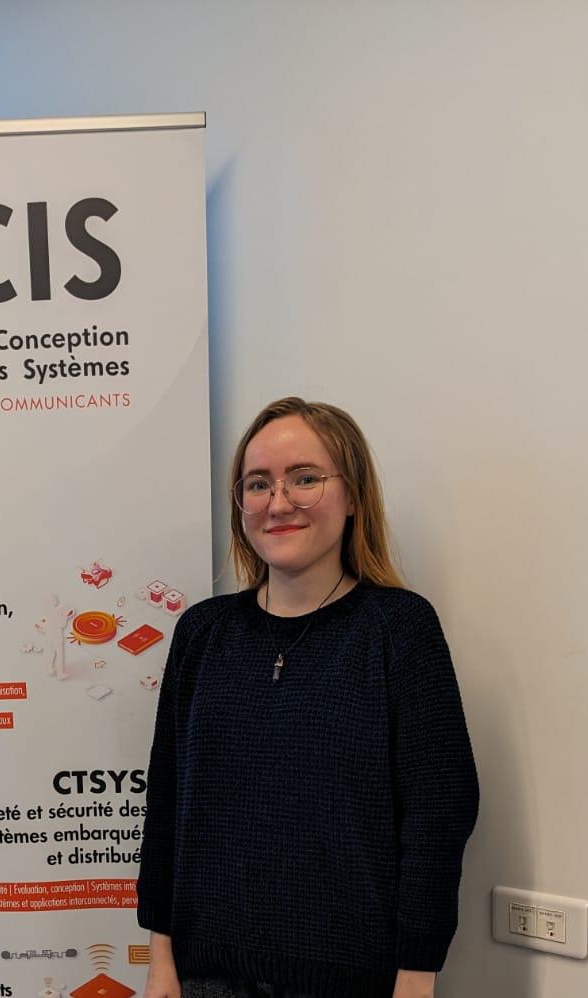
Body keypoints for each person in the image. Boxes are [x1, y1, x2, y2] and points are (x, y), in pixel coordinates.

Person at [137, 397, 479, 998]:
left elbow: (438, 813)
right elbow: (167, 802)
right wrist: (159, 957)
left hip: (354, 980)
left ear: (352, 497)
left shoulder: (399, 629)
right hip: (207, 976)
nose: (278, 503)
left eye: (305, 479)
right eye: (258, 484)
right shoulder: (202, 633)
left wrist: (417, 972)